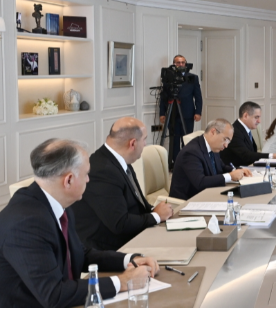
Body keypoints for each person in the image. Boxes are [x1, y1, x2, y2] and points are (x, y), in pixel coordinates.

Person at [0, 139, 159, 308]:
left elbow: (78, 253)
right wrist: (123, 281)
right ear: (68, 180)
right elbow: (54, 295)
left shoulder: (58, 201)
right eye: (86, 174)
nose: (88, 179)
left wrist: (130, 259)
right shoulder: (25, 224)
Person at [72, 118, 173, 251]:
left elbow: (137, 205)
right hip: (108, 249)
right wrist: (156, 216)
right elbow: (120, 223)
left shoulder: (119, 160)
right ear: (133, 143)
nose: (145, 144)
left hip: (130, 237)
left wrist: (157, 211)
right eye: (144, 139)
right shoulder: (103, 171)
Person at [170, 119, 253, 200]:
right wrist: (230, 176)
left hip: (207, 194)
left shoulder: (213, 146)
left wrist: (237, 170)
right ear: (213, 132)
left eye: (228, 141)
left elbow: (222, 167)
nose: (226, 145)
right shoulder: (191, 152)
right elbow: (200, 182)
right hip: (188, 201)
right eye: (225, 139)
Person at [159, 55, 203, 168]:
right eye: (178, 62)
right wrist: (162, 113)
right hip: (172, 113)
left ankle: (187, 162)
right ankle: (176, 163)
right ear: (174, 64)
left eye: (183, 62)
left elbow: (198, 96)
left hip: (188, 113)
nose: (181, 64)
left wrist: (198, 112)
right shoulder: (168, 78)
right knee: (174, 140)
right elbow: (163, 98)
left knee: (187, 139)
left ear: (186, 64)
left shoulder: (193, 78)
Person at [220, 102, 276, 167]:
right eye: (256, 117)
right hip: (236, 170)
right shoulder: (235, 131)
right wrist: (272, 156)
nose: (259, 121)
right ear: (245, 116)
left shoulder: (245, 129)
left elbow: (252, 153)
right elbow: (246, 155)